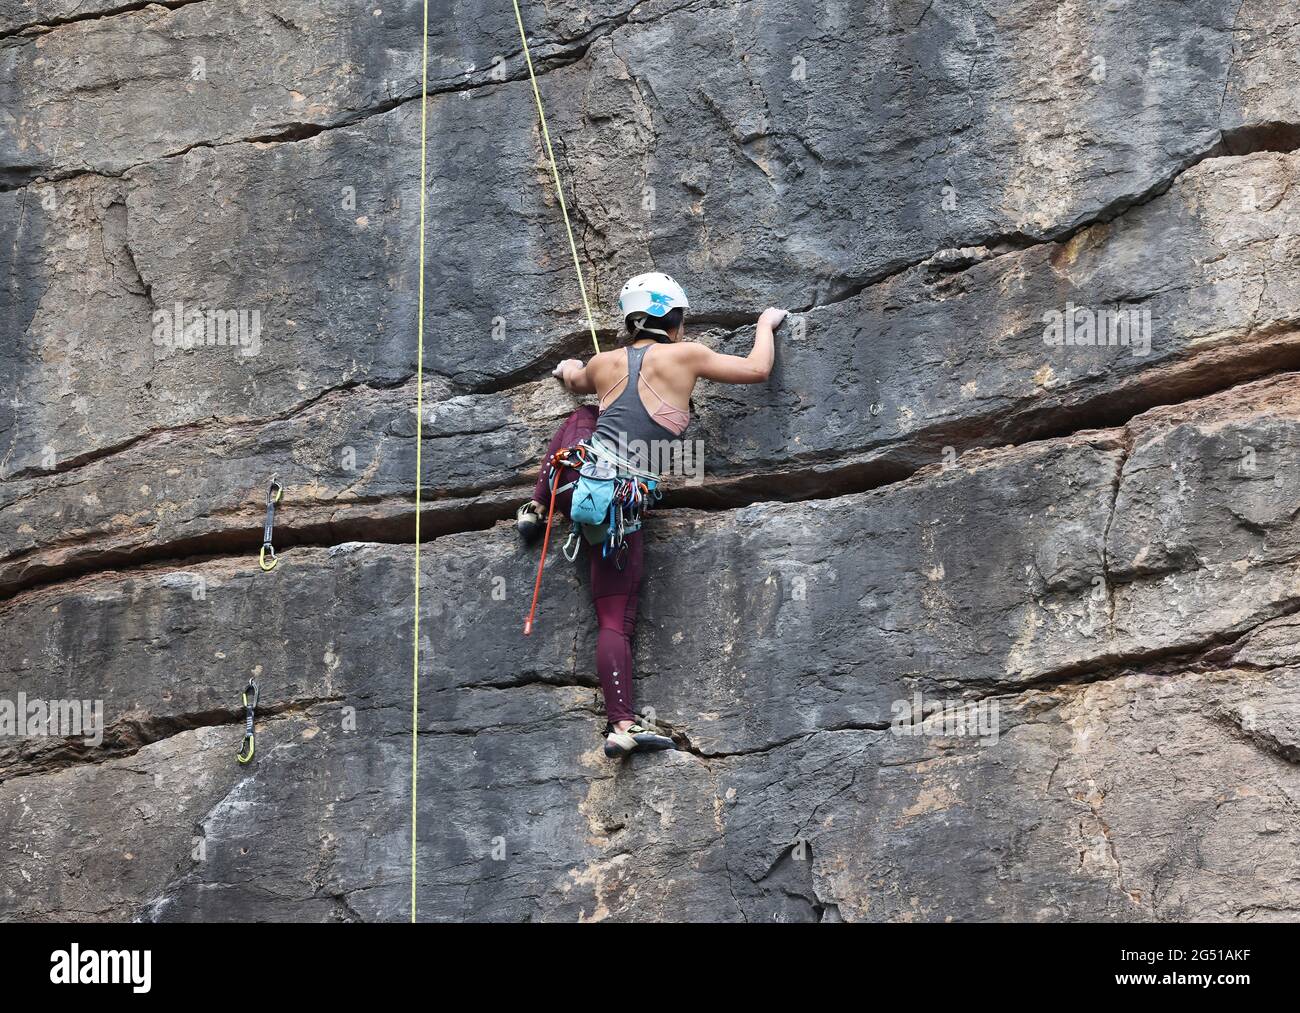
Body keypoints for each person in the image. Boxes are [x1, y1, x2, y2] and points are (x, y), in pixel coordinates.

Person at [518, 271, 786, 758]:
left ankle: (537, 505)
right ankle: (620, 727)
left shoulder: (603, 363)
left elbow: (575, 379)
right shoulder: (687, 354)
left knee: (581, 419)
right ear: (673, 318)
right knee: (616, 619)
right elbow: (757, 370)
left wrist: (568, 367)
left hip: (584, 486)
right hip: (622, 503)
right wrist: (765, 324)